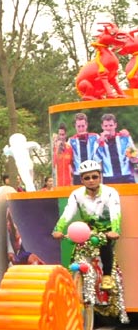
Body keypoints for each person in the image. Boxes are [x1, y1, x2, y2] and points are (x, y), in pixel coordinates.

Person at [51, 159, 121, 291]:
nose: (91, 180)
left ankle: (106, 276)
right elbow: (68, 213)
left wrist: (115, 230)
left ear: (100, 177)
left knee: (105, 245)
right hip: (87, 229)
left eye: (94, 176)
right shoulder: (76, 195)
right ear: (82, 180)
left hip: (106, 231)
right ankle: (75, 278)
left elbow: (115, 212)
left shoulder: (110, 192)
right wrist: (58, 229)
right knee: (77, 249)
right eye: (87, 178)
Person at [96, 112, 137, 184]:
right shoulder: (99, 141)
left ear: (115, 125)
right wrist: (101, 143)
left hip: (126, 176)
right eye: (106, 126)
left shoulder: (124, 138)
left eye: (111, 125)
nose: (108, 128)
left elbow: (134, 156)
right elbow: (96, 159)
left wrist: (133, 157)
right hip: (109, 177)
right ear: (102, 126)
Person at [67, 112, 100, 184]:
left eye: (83, 126)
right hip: (78, 174)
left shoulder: (95, 137)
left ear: (86, 125)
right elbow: (68, 158)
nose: (81, 129)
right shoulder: (71, 140)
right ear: (75, 126)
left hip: (92, 172)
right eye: (78, 126)